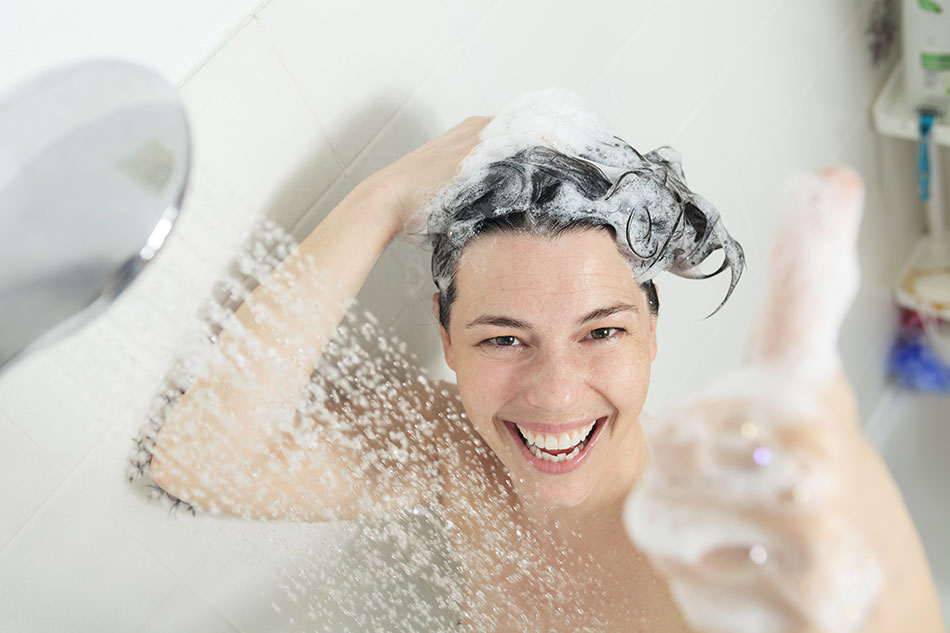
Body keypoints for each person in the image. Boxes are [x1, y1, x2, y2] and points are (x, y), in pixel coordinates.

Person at [148, 105, 943, 632]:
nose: (557, 393)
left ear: (652, 333)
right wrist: (381, 201)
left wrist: (885, 572)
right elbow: (201, 460)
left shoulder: (709, 545)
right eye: (503, 339)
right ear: (446, 336)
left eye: (601, 332)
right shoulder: (449, 445)